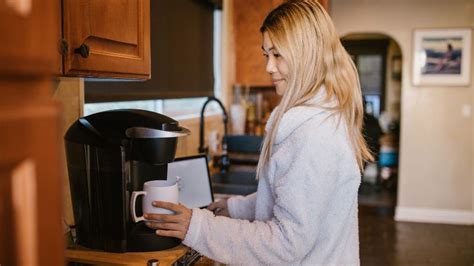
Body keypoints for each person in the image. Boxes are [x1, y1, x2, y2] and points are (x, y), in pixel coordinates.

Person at [144, 0, 372, 264]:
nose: (269, 67)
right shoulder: (320, 120)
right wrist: (234, 207)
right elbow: (288, 198)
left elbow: (285, 244)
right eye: (267, 55)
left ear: (305, 55)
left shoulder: (314, 136)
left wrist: (197, 226)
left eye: (277, 55)